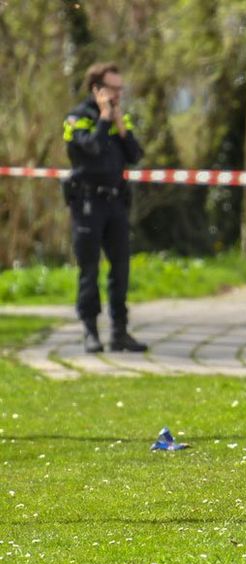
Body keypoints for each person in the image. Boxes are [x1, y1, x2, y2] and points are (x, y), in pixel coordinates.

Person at [62, 62, 148, 354]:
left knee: (121, 268)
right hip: (87, 203)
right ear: (96, 89)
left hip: (116, 204)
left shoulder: (119, 118)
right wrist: (102, 118)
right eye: (113, 88)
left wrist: (120, 125)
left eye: (121, 89)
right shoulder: (78, 118)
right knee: (88, 269)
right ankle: (90, 331)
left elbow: (135, 155)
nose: (118, 94)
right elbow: (90, 150)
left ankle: (120, 332)